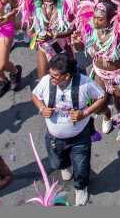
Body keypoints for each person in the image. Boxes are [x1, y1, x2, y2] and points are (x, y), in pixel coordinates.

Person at [31, 53, 106, 206]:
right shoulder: (47, 81)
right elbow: (35, 95)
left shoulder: (85, 83)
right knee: (57, 163)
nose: (51, 78)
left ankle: (81, 187)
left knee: (81, 166)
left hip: (79, 137)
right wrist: (41, 108)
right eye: (50, 74)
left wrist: (84, 113)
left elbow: (102, 97)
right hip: (54, 138)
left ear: (67, 76)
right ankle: (65, 165)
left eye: (55, 76)